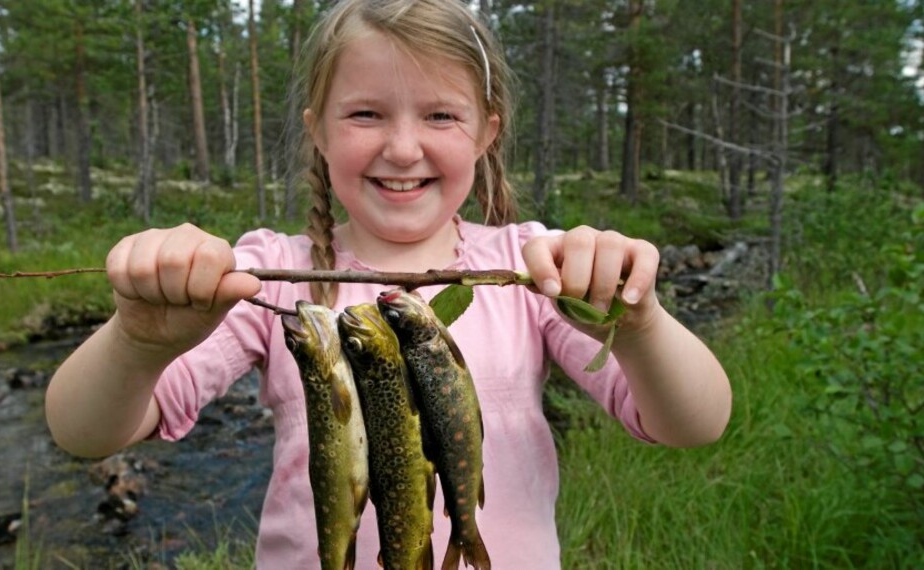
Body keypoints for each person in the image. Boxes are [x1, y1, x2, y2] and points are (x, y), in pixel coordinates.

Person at [45, 0, 732, 567]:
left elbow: (692, 424)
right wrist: (136, 341)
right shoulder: (264, 276)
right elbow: (85, 432)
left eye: (440, 115)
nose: (403, 148)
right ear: (318, 131)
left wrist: (638, 326)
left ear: (486, 132)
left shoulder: (532, 267)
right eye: (366, 114)